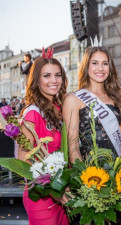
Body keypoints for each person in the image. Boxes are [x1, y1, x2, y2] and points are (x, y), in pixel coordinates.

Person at [62, 40, 121, 225]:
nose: (100, 68)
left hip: (116, 184)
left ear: (110, 67)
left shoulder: (118, 100)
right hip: (89, 183)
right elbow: (72, 148)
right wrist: (88, 183)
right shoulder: (73, 99)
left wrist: (120, 179)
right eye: (94, 63)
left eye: (105, 63)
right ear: (86, 67)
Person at [17, 49, 69, 225]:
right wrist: (54, 188)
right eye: (47, 76)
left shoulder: (61, 108)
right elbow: (24, 162)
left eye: (58, 75)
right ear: (37, 80)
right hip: (41, 195)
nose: (54, 81)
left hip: (63, 192)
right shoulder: (32, 113)